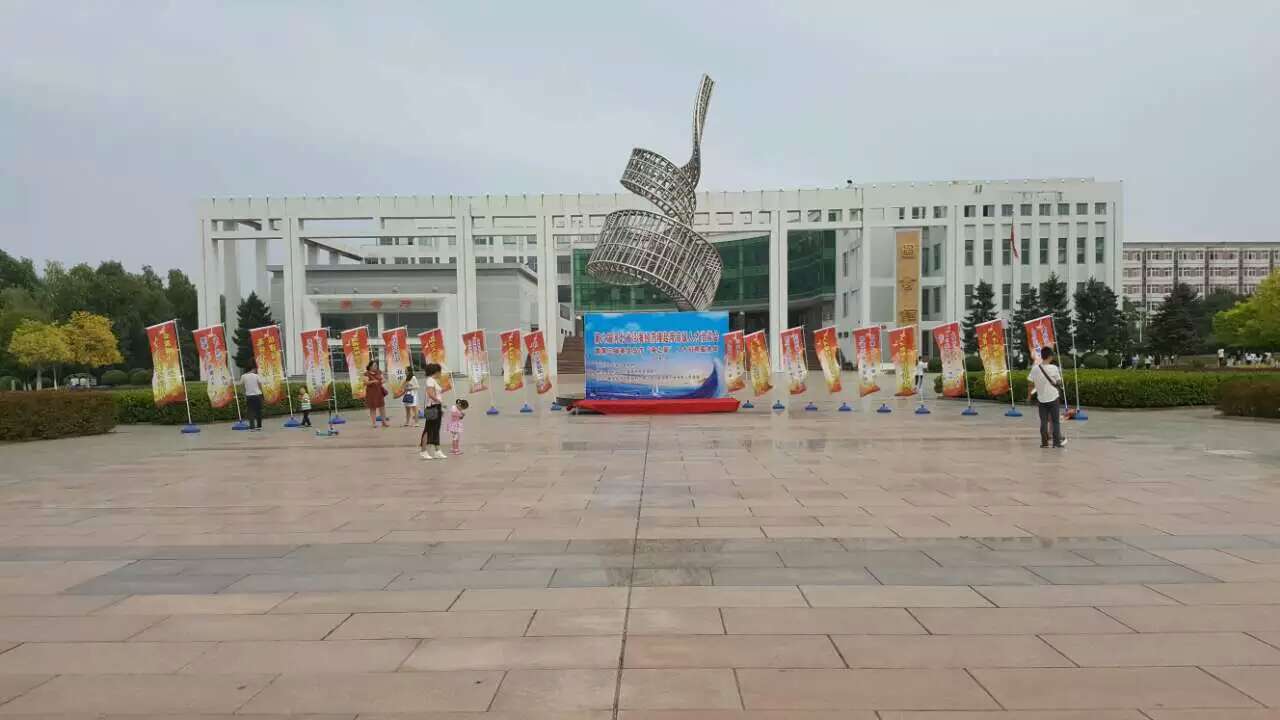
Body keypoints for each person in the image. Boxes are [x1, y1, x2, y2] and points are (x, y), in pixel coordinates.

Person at [1028, 346, 1066, 449]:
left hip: (1041, 399)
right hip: (1054, 398)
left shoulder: (1035, 368)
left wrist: (1029, 396)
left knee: (1043, 422)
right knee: (1055, 421)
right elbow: (1059, 382)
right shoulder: (1054, 368)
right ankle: (1056, 443)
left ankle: (1044, 443)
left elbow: (1030, 383)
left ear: (1042, 356)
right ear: (1049, 356)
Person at [419, 363, 447, 460]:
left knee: (435, 429)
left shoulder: (433, 381)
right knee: (428, 429)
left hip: (436, 406)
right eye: (440, 371)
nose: (440, 373)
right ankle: (423, 451)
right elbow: (430, 394)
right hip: (432, 407)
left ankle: (437, 450)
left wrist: (444, 390)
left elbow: (436, 392)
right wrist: (439, 401)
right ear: (436, 372)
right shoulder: (430, 380)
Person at [364, 360, 389, 429]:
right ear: (370, 366)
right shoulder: (367, 373)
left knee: (382, 407)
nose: (376, 367)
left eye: (376, 365)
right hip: (371, 393)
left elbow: (383, 379)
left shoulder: (379, 372)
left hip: (379, 391)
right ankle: (374, 423)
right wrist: (373, 381)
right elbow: (365, 383)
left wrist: (383, 381)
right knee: (373, 408)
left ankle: (384, 422)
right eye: (374, 365)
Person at [242, 363, 264, 431]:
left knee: (250, 411)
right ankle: (259, 426)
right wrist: (262, 393)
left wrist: (244, 395)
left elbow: (242, 387)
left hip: (249, 396)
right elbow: (260, 385)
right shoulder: (256, 376)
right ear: (252, 369)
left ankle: (252, 427)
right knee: (258, 411)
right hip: (257, 395)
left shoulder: (243, 376)